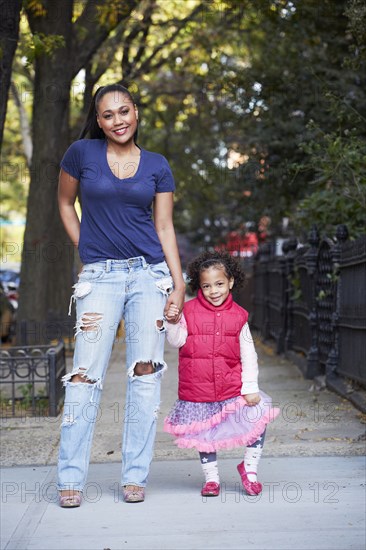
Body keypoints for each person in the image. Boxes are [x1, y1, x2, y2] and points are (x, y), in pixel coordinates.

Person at [57, 83, 185, 506]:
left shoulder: (157, 165)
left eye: (124, 111)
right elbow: (64, 203)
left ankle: (135, 476)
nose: (118, 121)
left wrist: (179, 282)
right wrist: (86, 250)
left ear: (136, 112)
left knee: (146, 376)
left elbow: (163, 226)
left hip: (149, 276)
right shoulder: (81, 154)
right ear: (99, 120)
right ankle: (71, 480)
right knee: (83, 377)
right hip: (101, 277)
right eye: (108, 115)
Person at [164, 250, 280, 497]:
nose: (213, 291)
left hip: (231, 388)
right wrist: (172, 323)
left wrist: (250, 387)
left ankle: (249, 470)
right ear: (199, 286)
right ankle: (211, 479)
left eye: (219, 284)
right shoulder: (189, 311)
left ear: (231, 282)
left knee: (257, 418)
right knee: (204, 435)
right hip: (198, 389)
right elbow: (176, 342)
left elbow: (249, 355)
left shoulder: (239, 316)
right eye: (206, 286)